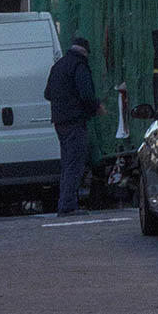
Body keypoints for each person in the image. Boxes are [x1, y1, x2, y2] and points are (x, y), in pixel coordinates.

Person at [44, 36, 105, 217]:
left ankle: (65, 202)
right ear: (85, 52)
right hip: (74, 120)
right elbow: (86, 94)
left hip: (59, 121)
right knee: (75, 164)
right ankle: (68, 206)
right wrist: (96, 107)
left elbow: (47, 93)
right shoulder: (79, 65)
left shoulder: (59, 66)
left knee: (67, 163)